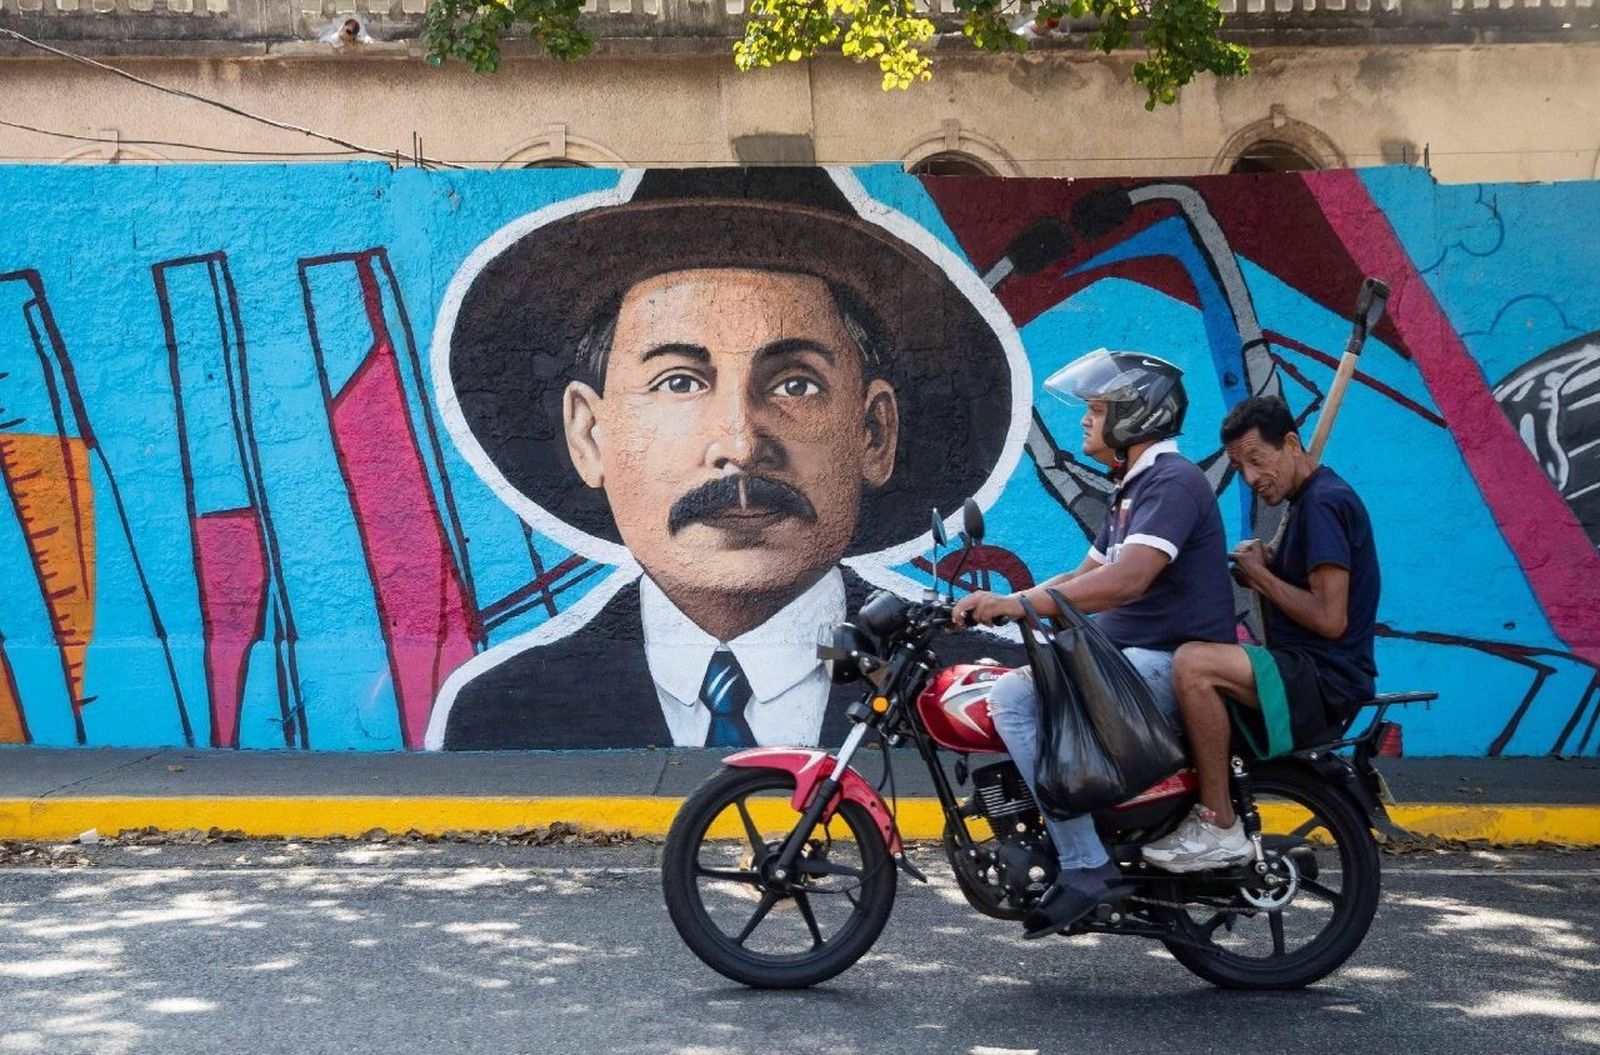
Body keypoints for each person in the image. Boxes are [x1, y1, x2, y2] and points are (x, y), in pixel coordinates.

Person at [425, 168, 1022, 751]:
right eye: (679, 383)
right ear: (589, 435)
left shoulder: (993, 690)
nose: (739, 446)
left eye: (796, 385)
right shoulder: (501, 712)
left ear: (872, 432)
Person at [953, 349, 1236, 938]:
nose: (1085, 420)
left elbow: (1127, 580)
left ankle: (1086, 865)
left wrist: (1020, 605)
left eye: (1098, 409)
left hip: (1158, 662)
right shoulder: (1132, 490)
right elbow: (1082, 576)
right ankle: (1084, 844)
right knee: (1012, 690)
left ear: (1136, 418)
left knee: (1013, 698)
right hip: (1128, 660)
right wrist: (1005, 603)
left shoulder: (1172, 483)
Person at [1142, 395, 1381, 872]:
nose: (1252, 478)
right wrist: (1273, 566)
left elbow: (1331, 619)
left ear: (1291, 443)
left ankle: (1218, 822)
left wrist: (1261, 577)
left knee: (1194, 663)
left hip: (1325, 677)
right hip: (1308, 669)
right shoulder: (1308, 501)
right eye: (1240, 467)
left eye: (1257, 460)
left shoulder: (1324, 504)